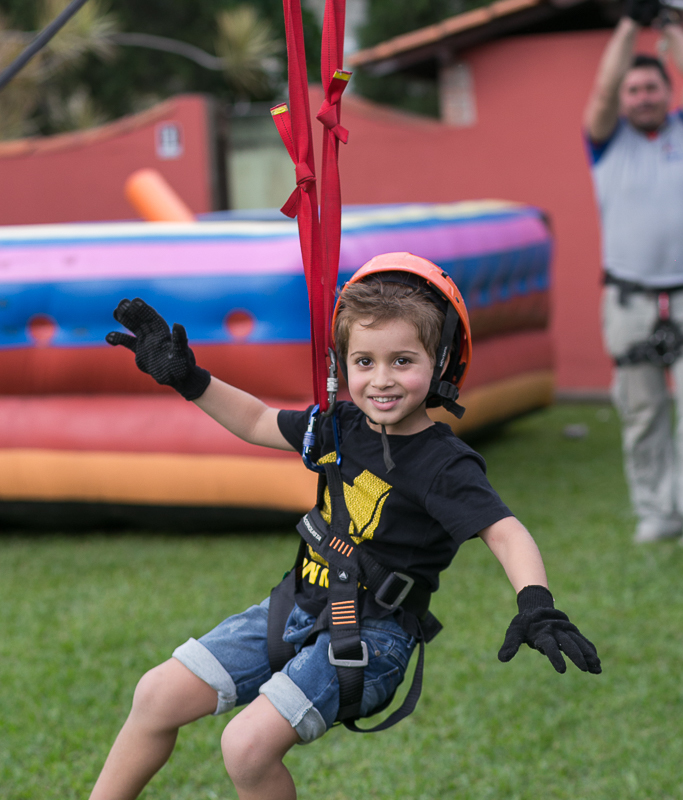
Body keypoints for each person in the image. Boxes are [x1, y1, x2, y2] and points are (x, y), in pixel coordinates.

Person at [91, 253, 601, 800]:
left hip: (373, 636)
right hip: (296, 606)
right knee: (155, 695)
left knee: (246, 746)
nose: (381, 380)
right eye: (364, 361)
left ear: (442, 361)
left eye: (403, 360)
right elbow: (259, 421)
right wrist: (190, 380)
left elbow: (506, 531)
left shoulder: (444, 465)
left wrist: (536, 603)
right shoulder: (338, 426)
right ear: (343, 364)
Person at [584, 1, 683, 543]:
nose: (644, 97)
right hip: (629, 300)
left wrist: (669, 23)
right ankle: (658, 512)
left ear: (669, 92)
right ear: (624, 98)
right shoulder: (607, 140)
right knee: (643, 411)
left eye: (653, 88)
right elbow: (601, 93)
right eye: (635, 89)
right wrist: (630, 21)